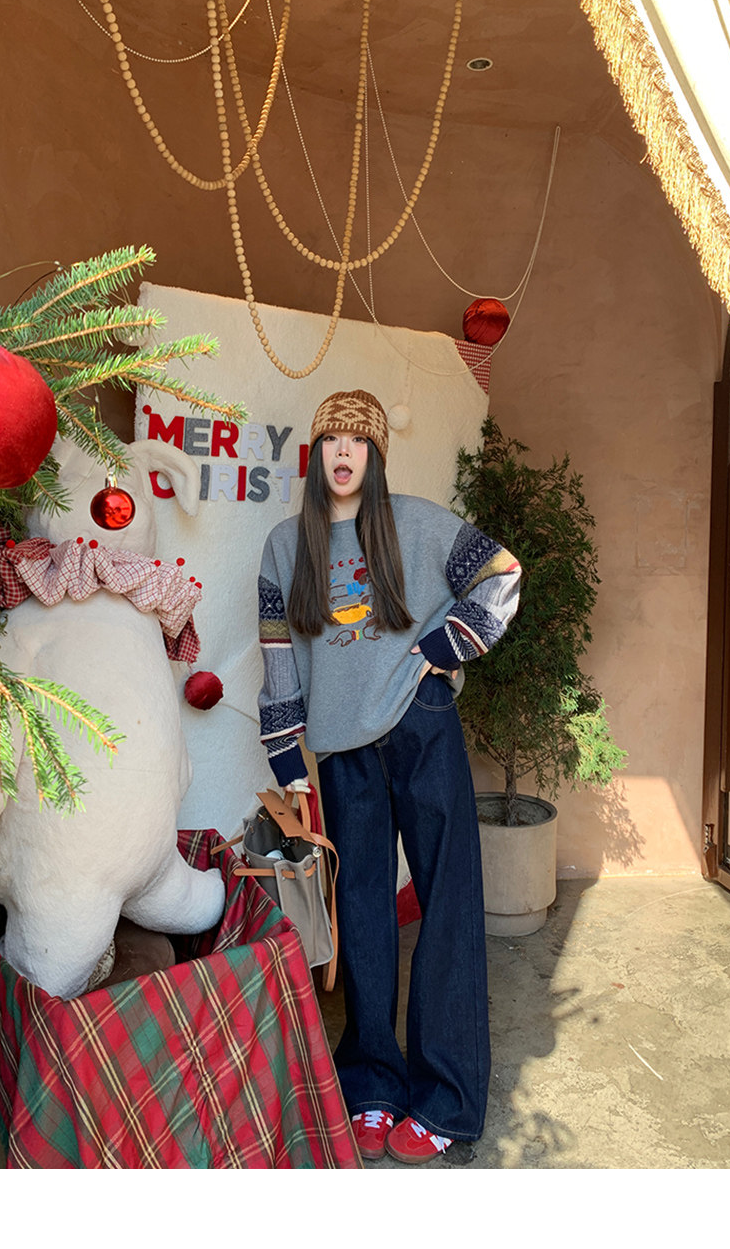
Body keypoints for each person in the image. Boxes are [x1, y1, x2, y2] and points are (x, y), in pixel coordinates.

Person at [257, 389, 521, 1164]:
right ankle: (373, 1083)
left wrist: (447, 645)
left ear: (375, 457)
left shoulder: (416, 521)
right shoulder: (285, 545)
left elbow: (503, 573)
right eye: (331, 440)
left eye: (358, 442)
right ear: (315, 454)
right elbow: (278, 657)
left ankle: (448, 1099)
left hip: (421, 724)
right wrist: (289, 764)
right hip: (343, 751)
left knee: (447, 904)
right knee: (364, 910)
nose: (343, 453)